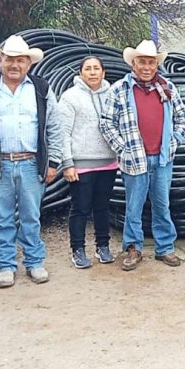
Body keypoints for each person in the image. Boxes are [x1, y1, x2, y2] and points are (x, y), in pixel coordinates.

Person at [0, 35, 62, 288]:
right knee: (3, 217)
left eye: (20, 60)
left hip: (31, 163)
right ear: (0, 60)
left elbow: (54, 127)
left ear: (29, 63)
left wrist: (54, 162)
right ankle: (6, 265)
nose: (14, 65)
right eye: (9, 59)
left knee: (31, 216)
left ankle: (34, 262)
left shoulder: (41, 88)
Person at [99, 40, 185, 271]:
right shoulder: (120, 89)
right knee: (134, 206)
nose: (147, 67)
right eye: (142, 62)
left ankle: (165, 248)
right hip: (134, 158)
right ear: (134, 63)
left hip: (162, 159)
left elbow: (182, 117)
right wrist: (122, 148)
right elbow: (106, 122)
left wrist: (174, 140)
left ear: (156, 64)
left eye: (151, 62)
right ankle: (133, 248)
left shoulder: (167, 87)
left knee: (162, 204)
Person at [58, 56, 118, 269]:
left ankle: (103, 246)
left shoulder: (113, 95)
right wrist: (67, 163)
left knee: (102, 208)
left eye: (96, 69)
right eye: (88, 69)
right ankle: (78, 249)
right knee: (80, 208)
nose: (92, 72)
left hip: (108, 162)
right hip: (81, 164)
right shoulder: (70, 97)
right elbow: (62, 132)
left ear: (103, 72)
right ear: (80, 73)